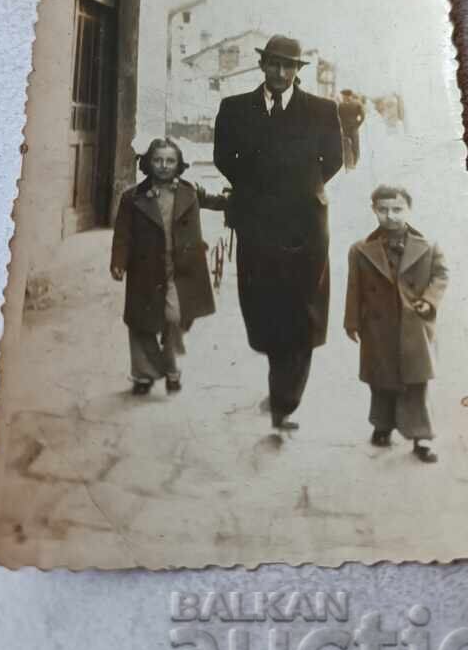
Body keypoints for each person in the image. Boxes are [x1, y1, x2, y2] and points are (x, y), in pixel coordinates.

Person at [214, 35, 343, 430]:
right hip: (256, 223)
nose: (281, 72)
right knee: (264, 304)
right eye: (274, 64)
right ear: (262, 65)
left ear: (298, 70)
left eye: (289, 66)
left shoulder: (321, 110)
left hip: (305, 226)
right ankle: (279, 384)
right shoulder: (235, 108)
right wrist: (258, 191)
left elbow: (333, 160)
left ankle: (285, 401)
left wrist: (299, 190)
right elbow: (224, 158)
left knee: (303, 307)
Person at [110, 138, 226, 395]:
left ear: (179, 164)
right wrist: (118, 262)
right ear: (148, 163)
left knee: (174, 317)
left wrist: (240, 198)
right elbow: (122, 235)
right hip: (145, 269)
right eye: (158, 160)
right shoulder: (132, 197)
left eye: (170, 161)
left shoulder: (189, 191)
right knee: (140, 322)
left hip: (181, 268)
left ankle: (167, 363)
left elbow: (216, 202)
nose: (164, 165)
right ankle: (147, 374)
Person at [344, 184, 449, 462]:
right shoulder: (360, 250)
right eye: (383, 210)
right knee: (381, 379)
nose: (390, 216)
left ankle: (421, 436)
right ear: (374, 210)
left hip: (413, 324)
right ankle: (382, 425)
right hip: (378, 327)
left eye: (397, 209)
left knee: (416, 381)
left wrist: (429, 300)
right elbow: (354, 288)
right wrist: (351, 321)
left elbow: (441, 275)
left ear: (409, 209)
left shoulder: (428, 246)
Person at [337, 89, 366, 169]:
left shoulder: (342, 105)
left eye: (343, 96)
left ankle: (350, 164)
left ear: (347, 96)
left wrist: (342, 126)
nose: (343, 97)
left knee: (348, 146)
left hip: (347, 128)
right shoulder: (356, 104)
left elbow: (339, 117)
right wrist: (357, 125)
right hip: (352, 128)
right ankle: (353, 163)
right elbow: (362, 116)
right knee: (354, 146)